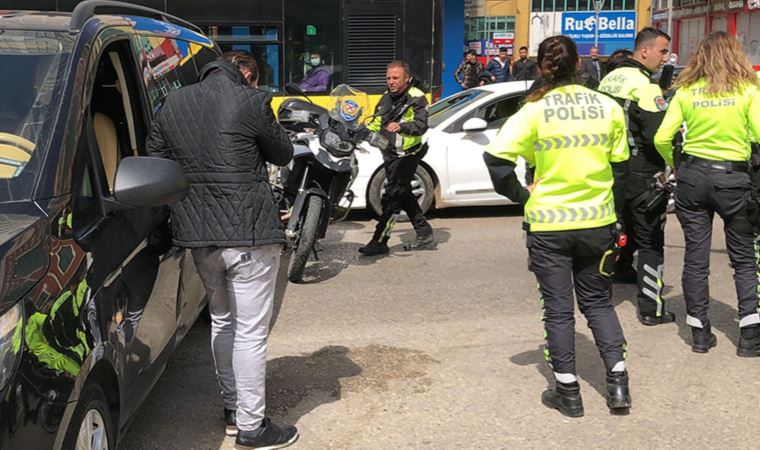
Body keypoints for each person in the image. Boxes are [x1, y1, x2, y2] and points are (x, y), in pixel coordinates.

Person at [146, 50, 299, 449]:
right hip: (247, 233)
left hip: (198, 235)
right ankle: (252, 426)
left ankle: (233, 408)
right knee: (250, 331)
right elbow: (283, 153)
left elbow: (156, 159)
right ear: (246, 74)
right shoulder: (251, 100)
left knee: (222, 321)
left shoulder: (173, 103)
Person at [484, 35, 631, 418]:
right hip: (598, 222)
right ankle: (618, 386)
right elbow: (621, 166)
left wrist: (523, 195)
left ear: (540, 67)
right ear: (580, 65)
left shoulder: (534, 109)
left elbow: (496, 159)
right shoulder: (607, 106)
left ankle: (568, 393)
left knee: (559, 310)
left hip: (549, 225)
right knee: (599, 303)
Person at [654, 32, 760, 355]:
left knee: (695, 257)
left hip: (692, 177)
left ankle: (699, 332)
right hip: (733, 178)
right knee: (744, 258)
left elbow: (662, 136)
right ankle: (750, 337)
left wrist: (676, 164)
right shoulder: (748, 90)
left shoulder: (686, 91)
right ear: (735, 55)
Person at [598, 27, 675, 325]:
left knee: (618, 226)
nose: (665, 57)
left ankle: (617, 275)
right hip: (641, 172)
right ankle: (651, 308)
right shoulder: (646, 87)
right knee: (651, 241)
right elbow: (660, 136)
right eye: (662, 51)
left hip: (610, 170)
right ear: (644, 51)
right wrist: (672, 166)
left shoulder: (609, 79)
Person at [359, 60, 436, 256]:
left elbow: (421, 125)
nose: (391, 82)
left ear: (406, 79)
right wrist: (360, 132)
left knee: (392, 197)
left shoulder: (416, 97)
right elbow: (376, 123)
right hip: (390, 154)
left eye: (395, 78)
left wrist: (401, 126)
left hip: (408, 155)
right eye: (388, 78)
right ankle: (424, 233)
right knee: (404, 193)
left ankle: (380, 240)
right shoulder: (386, 97)